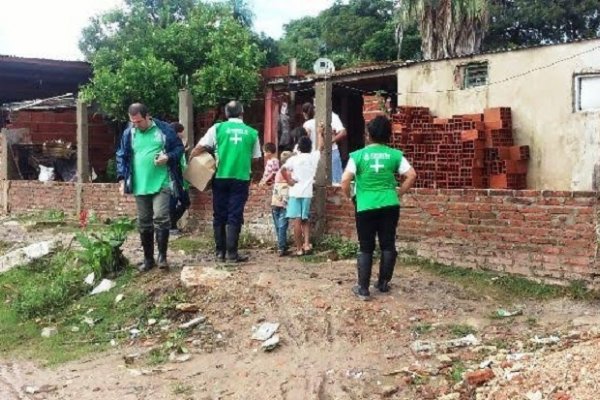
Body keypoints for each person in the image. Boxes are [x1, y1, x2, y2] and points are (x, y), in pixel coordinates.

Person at [341, 115, 417, 301]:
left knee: (366, 247)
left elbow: (345, 180)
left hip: (365, 205)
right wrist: (398, 193)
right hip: (390, 204)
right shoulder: (394, 155)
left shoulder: (357, 156)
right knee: (388, 243)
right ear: (388, 135)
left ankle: (363, 289)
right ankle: (383, 283)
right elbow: (411, 175)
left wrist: (352, 197)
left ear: (368, 134)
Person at [189, 100, 261, 262]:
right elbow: (256, 158)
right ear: (242, 113)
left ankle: (220, 252)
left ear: (226, 114)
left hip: (220, 177)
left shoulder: (218, 128)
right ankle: (232, 254)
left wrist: (193, 161)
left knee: (219, 213)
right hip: (241, 178)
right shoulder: (252, 132)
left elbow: (199, 148)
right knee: (234, 214)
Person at [116, 103, 185, 272]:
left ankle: (162, 257)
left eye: (139, 121)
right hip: (140, 184)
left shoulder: (164, 130)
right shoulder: (129, 133)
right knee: (144, 221)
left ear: (148, 117)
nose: (136, 125)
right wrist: (122, 178)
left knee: (161, 217)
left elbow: (179, 148)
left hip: (162, 181)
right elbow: (122, 156)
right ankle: (148, 259)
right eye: (133, 121)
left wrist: (167, 157)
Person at [280, 129, 323, 256]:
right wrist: (320, 133)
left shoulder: (294, 159)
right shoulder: (313, 157)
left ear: (298, 147)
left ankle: (299, 249)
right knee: (305, 220)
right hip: (307, 193)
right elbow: (320, 146)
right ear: (310, 147)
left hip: (295, 192)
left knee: (297, 222)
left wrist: (289, 181)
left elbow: (282, 169)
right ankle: (306, 244)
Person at [302, 102, 346, 184]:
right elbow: (343, 132)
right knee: (335, 184)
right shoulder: (308, 124)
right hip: (322, 153)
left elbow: (343, 132)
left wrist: (328, 142)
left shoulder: (331, 116)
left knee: (317, 183)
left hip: (326, 153)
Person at [169, 122, 191, 234]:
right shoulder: (170, 145)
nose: (183, 136)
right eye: (181, 133)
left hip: (181, 179)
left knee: (185, 202)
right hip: (173, 178)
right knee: (173, 201)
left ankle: (171, 224)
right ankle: (170, 226)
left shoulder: (179, 147)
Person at [270, 150, 293, 256]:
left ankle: (281, 245)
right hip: (284, 202)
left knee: (278, 225)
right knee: (283, 225)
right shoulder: (288, 172)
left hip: (275, 201)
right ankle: (281, 247)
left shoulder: (279, 171)